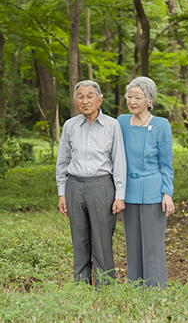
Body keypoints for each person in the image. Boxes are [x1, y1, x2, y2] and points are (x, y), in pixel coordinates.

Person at [56, 80, 126, 286]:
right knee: (79, 240)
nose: (85, 101)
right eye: (80, 96)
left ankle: (105, 286)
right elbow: (63, 162)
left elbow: (119, 162)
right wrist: (62, 193)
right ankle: (81, 285)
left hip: (102, 187)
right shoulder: (70, 126)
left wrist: (120, 195)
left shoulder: (113, 126)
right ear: (76, 100)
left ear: (99, 99)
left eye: (89, 96)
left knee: (102, 240)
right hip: (74, 186)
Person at [117, 76, 174, 288]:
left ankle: (156, 290)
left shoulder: (161, 125)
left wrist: (167, 193)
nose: (132, 101)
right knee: (132, 244)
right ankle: (135, 288)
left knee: (152, 245)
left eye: (137, 97)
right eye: (129, 96)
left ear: (149, 100)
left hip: (153, 191)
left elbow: (166, 164)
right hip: (128, 192)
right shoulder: (121, 122)